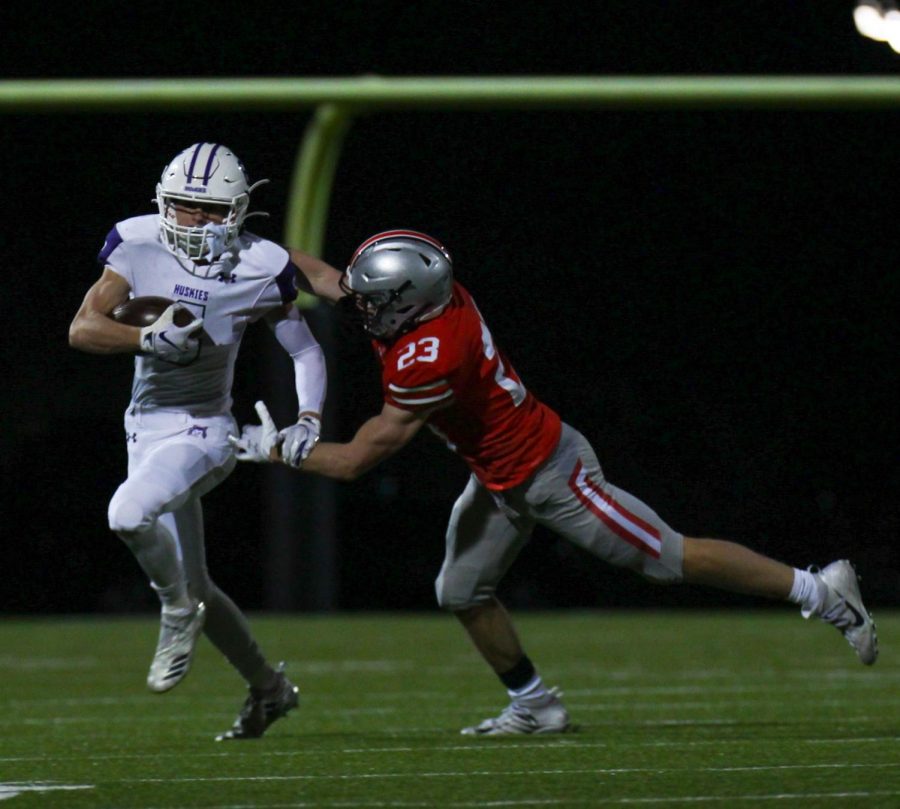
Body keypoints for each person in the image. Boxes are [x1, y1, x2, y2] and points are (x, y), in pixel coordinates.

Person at [231, 229, 878, 736]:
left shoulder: (430, 352)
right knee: (461, 588)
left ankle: (822, 589)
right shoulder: (423, 298)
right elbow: (319, 275)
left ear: (407, 303)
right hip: (497, 476)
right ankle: (535, 704)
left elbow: (356, 459)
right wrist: (247, 248)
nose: (361, 306)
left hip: (549, 470)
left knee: (667, 556)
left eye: (373, 301)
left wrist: (279, 450)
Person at [68, 142, 334, 741]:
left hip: (207, 431)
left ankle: (174, 612)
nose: (195, 221)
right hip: (145, 430)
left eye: (211, 210)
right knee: (201, 582)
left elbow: (306, 350)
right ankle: (270, 689)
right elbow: (82, 329)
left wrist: (309, 419)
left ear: (239, 211)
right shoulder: (136, 244)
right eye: (185, 207)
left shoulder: (261, 264)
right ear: (165, 203)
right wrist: (146, 341)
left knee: (128, 514)